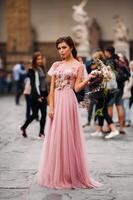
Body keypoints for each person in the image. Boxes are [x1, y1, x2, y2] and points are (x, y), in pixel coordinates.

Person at [37, 36, 101, 189]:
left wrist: (90, 77)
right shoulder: (56, 65)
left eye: (64, 47)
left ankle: (69, 175)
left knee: (67, 136)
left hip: (68, 101)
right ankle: (56, 173)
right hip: (57, 102)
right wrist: (51, 107)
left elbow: (77, 88)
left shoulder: (79, 65)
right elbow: (51, 88)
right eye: (59, 48)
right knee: (56, 137)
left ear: (71, 47)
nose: (61, 51)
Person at [20, 52, 48, 139]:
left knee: (44, 114)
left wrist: (46, 94)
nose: (40, 60)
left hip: (43, 94)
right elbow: (33, 84)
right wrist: (38, 96)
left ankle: (41, 132)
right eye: (38, 59)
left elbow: (44, 82)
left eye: (41, 59)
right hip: (35, 95)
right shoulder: (32, 70)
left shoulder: (42, 68)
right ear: (34, 60)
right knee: (35, 115)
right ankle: (23, 127)